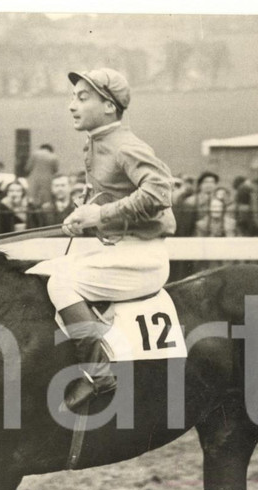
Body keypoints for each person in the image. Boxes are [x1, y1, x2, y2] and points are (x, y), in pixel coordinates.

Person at [25, 68, 175, 411]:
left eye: (82, 97)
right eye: (72, 97)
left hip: (143, 258)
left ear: (109, 106)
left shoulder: (125, 145)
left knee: (60, 285)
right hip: (120, 250)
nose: (71, 106)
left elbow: (160, 192)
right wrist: (85, 214)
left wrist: (100, 216)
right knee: (40, 270)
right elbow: (110, 199)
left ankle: (99, 373)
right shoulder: (97, 144)